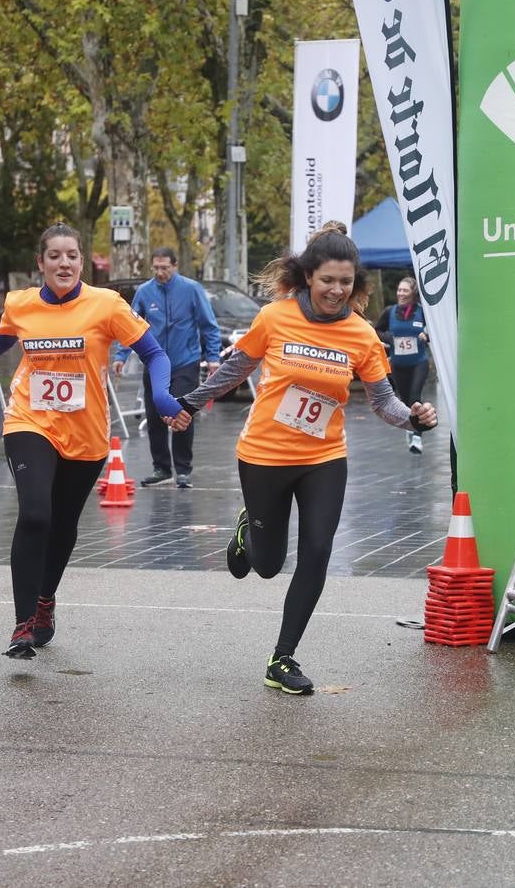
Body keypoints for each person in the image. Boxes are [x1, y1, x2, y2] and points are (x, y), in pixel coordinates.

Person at [175, 225, 438, 695]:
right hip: (264, 455)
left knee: (317, 552)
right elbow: (237, 368)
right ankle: (247, 535)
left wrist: (413, 420)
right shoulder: (275, 318)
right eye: (327, 281)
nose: (336, 291)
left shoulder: (360, 334)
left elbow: (383, 401)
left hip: (324, 457)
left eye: (345, 282)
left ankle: (282, 658)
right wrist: (190, 403)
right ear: (307, 278)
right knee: (269, 564)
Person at [0, 224, 184, 659]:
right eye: (54, 256)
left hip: (85, 434)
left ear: (81, 261)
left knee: (63, 525)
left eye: (71, 255)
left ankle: (45, 600)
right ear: (41, 263)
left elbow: (155, 353)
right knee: (34, 514)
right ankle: (23, 622)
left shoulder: (107, 305)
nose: (63, 263)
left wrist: (161, 395)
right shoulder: (21, 304)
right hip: (30, 420)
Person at [112, 247, 220, 489]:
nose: (160, 272)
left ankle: (183, 469)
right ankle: (161, 468)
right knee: (155, 415)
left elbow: (209, 325)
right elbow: (128, 325)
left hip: (185, 361)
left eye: (165, 268)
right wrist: (121, 355)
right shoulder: (144, 291)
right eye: (156, 268)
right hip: (154, 363)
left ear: (175, 266)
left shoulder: (191, 289)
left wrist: (213, 358)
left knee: (181, 411)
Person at [374, 276, 432, 452]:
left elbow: (433, 329)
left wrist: (426, 335)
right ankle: (411, 425)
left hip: (418, 363)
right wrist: (389, 338)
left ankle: (417, 438)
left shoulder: (422, 312)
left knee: (415, 397)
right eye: (399, 290)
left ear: (413, 293)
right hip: (398, 364)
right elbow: (376, 330)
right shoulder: (390, 312)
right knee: (405, 400)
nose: (401, 293)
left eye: (405, 290)